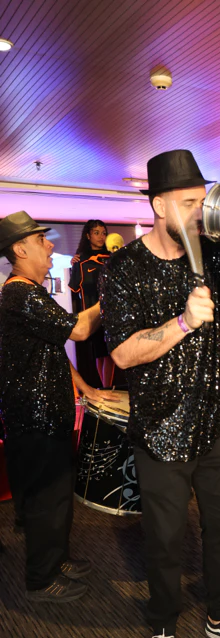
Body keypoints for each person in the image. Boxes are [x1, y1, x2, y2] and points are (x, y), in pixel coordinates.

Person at [100, 149, 220, 638]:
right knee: (166, 539)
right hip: (159, 425)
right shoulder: (123, 268)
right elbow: (122, 353)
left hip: (215, 420)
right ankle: (163, 625)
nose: (201, 212)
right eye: (190, 202)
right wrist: (182, 322)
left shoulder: (216, 254)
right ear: (158, 205)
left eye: (203, 201)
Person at [0, 211, 116, 603]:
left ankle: (57, 559)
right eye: (41, 240)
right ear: (20, 249)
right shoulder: (20, 293)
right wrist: (107, 294)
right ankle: (40, 579)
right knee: (45, 501)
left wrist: (84, 386)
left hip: (48, 414)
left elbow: (52, 347)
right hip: (35, 419)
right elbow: (79, 330)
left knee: (58, 497)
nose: (51, 245)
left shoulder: (29, 292)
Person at [69, 220, 114, 387]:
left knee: (109, 353)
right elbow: (74, 289)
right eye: (96, 233)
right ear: (88, 236)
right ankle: (105, 387)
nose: (101, 236)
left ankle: (106, 388)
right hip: (91, 315)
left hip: (112, 313)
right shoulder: (81, 261)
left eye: (103, 233)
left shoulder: (112, 259)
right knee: (100, 353)